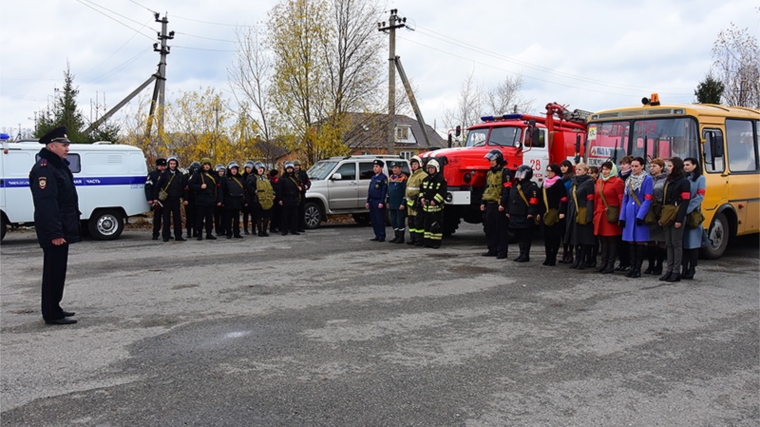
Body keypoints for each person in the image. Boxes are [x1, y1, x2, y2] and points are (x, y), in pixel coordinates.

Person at [29, 126, 80, 325]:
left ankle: (55, 306)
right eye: (63, 145)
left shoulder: (58, 165)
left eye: (67, 145)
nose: (67, 148)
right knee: (53, 271)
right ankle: (51, 313)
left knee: (59, 271)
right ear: (52, 146)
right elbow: (46, 204)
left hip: (62, 227)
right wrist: (55, 233)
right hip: (54, 231)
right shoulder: (45, 169)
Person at [619, 157, 653, 278]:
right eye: (632, 166)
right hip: (629, 213)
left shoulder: (647, 179)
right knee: (630, 241)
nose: (633, 168)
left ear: (642, 166)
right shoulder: (629, 179)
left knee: (639, 241)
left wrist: (640, 215)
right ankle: (631, 267)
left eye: (636, 166)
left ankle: (637, 268)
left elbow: (648, 199)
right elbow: (625, 199)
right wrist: (622, 217)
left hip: (639, 212)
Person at [659, 157, 691, 283]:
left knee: (676, 244)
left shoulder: (684, 182)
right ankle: (669, 270)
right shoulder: (668, 180)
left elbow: (685, 202)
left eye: (670, 166)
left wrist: (679, 219)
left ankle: (676, 271)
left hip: (677, 215)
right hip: (668, 215)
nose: (668, 168)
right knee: (669, 243)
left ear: (676, 167)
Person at [592, 161, 624, 273]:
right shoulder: (599, 181)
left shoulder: (617, 182)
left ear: (612, 170)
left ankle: (610, 264)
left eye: (607, 169)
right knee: (602, 240)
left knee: (611, 240)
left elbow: (621, 200)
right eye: (603, 169)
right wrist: (595, 213)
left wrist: (621, 216)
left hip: (611, 215)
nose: (605, 171)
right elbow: (596, 199)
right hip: (600, 215)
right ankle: (603, 263)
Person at [480, 149, 512, 259]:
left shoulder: (505, 172)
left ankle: (502, 251)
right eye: (490, 160)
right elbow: (486, 188)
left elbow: (507, 189)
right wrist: (483, 202)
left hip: (499, 205)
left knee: (501, 229)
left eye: (493, 160)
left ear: (498, 160)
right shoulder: (489, 173)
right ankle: (492, 249)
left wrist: (503, 204)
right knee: (490, 228)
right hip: (490, 204)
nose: (491, 162)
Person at [564, 162, 595, 270]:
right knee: (575, 238)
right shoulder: (574, 182)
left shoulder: (589, 182)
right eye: (576, 169)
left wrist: (589, 216)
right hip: (573, 212)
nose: (577, 171)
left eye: (580, 170)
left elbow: (590, 200)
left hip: (583, 212)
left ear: (586, 171)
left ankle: (582, 260)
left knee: (584, 238)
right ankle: (576, 259)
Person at [507, 165, 539, 262]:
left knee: (526, 235)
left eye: (522, 174)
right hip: (515, 214)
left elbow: (533, 200)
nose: (519, 176)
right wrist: (508, 210)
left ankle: (526, 254)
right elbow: (510, 198)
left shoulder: (531, 186)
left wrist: (531, 212)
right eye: (519, 174)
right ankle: (521, 253)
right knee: (518, 235)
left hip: (525, 214)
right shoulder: (515, 185)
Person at [153, 156, 188, 242]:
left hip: (176, 199)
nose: (172, 165)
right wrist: (155, 198)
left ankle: (178, 236)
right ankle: (166, 236)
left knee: (177, 218)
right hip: (166, 200)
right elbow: (157, 187)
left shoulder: (180, 174)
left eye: (174, 163)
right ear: (168, 164)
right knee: (166, 218)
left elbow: (185, 187)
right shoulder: (164, 174)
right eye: (171, 163)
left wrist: (185, 199)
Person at [682, 157, 706, 280]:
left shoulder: (700, 179)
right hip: (682, 214)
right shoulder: (683, 178)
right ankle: (684, 268)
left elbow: (700, 196)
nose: (685, 167)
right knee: (683, 244)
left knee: (693, 243)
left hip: (693, 214)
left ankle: (692, 268)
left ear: (695, 165)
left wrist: (686, 209)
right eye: (684, 165)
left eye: (688, 164)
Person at [538, 163, 566, 266]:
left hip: (555, 213)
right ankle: (547, 257)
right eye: (547, 171)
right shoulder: (545, 183)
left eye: (551, 171)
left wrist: (562, 211)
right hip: (546, 212)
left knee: (554, 237)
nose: (549, 173)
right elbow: (540, 199)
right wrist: (539, 212)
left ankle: (552, 258)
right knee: (546, 237)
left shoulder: (559, 183)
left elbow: (563, 198)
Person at [187, 157, 221, 240]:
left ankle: (209, 233)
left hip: (211, 200)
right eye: (205, 164)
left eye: (208, 164)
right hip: (200, 200)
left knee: (209, 218)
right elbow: (190, 185)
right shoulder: (197, 174)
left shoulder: (213, 174)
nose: (207, 166)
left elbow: (218, 188)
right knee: (200, 218)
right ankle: (199, 234)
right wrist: (199, 187)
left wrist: (219, 199)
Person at [644, 158, 668, 275]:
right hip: (650, 212)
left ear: (661, 167)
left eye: (654, 166)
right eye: (651, 166)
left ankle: (659, 266)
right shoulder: (647, 178)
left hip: (660, 211)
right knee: (650, 241)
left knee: (661, 241)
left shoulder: (666, 180)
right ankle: (650, 265)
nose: (652, 168)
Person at [419, 159, 447, 248]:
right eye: (429, 168)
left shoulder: (441, 179)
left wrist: (435, 200)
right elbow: (422, 190)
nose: (430, 170)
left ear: (436, 168)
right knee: (427, 225)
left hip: (436, 208)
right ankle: (427, 242)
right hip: (427, 208)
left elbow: (443, 192)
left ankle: (436, 242)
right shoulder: (426, 179)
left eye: (432, 168)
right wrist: (422, 198)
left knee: (436, 226)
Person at [615, 155, 634, 272]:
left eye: (625, 163)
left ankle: (629, 262)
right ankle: (622, 262)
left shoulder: (631, 177)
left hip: (629, 209)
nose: (622, 166)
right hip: (619, 209)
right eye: (621, 163)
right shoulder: (619, 176)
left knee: (629, 239)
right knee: (620, 239)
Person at [405, 156, 427, 246]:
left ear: (419, 165)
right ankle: (413, 238)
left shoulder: (423, 175)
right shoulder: (411, 175)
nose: (414, 166)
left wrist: (420, 200)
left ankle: (419, 240)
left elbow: (424, 189)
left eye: (415, 164)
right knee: (411, 222)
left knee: (418, 223)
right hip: (410, 204)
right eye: (412, 164)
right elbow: (408, 188)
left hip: (417, 204)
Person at [220, 161, 246, 239]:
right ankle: (228, 233)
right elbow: (222, 191)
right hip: (229, 202)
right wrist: (222, 201)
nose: (234, 170)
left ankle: (236, 233)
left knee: (237, 219)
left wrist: (244, 201)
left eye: (235, 169)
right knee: (228, 219)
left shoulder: (241, 178)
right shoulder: (225, 178)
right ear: (229, 170)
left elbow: (244, 190)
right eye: (232, 169)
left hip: (238, 201)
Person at [249, 162, 275, 236]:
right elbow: (249, 187)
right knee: (259, 216)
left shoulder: (267, 178)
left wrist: (273, 194)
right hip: (258, 200)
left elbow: (272, 187)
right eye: (259, 169)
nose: (260, 170)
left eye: (262, 169)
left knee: (266, 216)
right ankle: (260, 231)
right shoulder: (253, 178)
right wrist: (254, 191)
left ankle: (264, 230)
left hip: (267, 199)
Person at [365, 159, 388, 242]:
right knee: (373, 220)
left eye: (377, 166)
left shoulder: (383, 178)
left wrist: (381, 202)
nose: (375, 168)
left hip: (378, 201)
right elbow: (370, 190)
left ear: (381, 168)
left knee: (379, 219)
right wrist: (367, 201)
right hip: (372, 201)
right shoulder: (373, 177)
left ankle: (382, 235)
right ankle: (377, 235)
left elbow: (383, 191)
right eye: (374, 166)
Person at [144, 158, 166, 240]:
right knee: (157, 218)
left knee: (166, 218)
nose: (163, 167)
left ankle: (166, 233)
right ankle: (155, 233)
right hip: (156, 199)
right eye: (161, 166)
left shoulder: (167, 174)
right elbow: (148, 187)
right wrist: (150, 199)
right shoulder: (152, 175)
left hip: (166, 199)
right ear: (157, 166)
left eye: (164, 166)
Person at [387, 161, 408, 244]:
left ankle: (401, 237)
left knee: (400, 221)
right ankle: (396, 236)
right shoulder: (391, 177)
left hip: (399, 204)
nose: (394, 169)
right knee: (393, 220)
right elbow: (389, 191)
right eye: (393, 168)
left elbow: (405, 192)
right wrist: (388, 201)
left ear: (400, 168)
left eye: (396, 167)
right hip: (392, 203)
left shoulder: (403, 178)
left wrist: (403, 203)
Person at [278, 162, 301, 235]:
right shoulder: (282, 179)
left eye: (291, 168)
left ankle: (294, 230)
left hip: (294, 198)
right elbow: (279, 190)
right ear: (285, 169)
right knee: (285, 216)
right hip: (286, 198)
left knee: (294, 215)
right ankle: (284, 230)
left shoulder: (296, 178)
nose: (289, 170)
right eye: (288, 169)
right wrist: (280, 199)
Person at [559, 160, 575, 264]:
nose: (563, 168)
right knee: (563, 232)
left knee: (569, 232)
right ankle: (564, 253)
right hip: (561, 206)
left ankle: (570, 254)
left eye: (565, 166)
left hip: (569, 207)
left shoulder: (571, 179)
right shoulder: (561, 179)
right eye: (562, 166)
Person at [294, 160, 311, 232]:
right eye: (295, 166)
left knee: (301, 211)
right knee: (295, 212)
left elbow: (308, 182)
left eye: (297, 165)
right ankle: (294, 227)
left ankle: (301, 226)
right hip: (294, 194)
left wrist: (305, 186)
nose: (296, 167)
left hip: (302, 193)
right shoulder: (291, 174)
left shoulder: (303, 173)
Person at [185, 161, 200, 238]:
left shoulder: (200, 177)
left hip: (197, 198)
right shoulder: (186, 177)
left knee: (197, 216)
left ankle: (195, 231)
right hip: (189, 198)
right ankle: (188, 232)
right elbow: (185, 189)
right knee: (189, 217)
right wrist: (185, 199)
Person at [241, 160, 256, 235]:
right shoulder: (242, 177)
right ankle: (245, 229)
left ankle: (253, 229)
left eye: (249, 168)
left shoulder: (255, 176)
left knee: (254, 215)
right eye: (247, 168)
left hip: (253, 197)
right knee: (245, 215)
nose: (248, 169)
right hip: (245, 198)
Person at [214, 164, 226, 236]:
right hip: (216, 200)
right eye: (220, 171)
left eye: (222, 171)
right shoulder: (215, 179)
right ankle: (217, 230)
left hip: (224, 200)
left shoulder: (225, 179)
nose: (221, 172)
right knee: (217, 217)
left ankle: (223, 230)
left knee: (224, 217)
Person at [269, 169, 282, 233]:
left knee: (278, 214)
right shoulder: (271, 181)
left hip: (278, 199)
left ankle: (278, 226)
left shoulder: (278, 181)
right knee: (273, 214)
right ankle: (272, 227)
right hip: (273, 199)